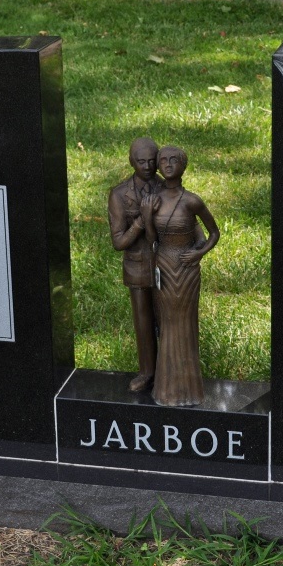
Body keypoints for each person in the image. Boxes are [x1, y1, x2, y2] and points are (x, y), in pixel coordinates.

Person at [141, 146, 219, 406]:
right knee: (167, 324)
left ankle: (189, 391)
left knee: (184, 325)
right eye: (163, 160)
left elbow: (214, 233)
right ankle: (166, 390)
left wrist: (199, 254)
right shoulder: (154, 199)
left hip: (186, 270)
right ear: (158, 166)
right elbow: (152, 239)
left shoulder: (192, 200)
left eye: (174, 160)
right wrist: (147, 217)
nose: (168, 164)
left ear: (184, 165)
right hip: (163, 265)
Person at [108, 137, 162, 392]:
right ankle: (147, 371)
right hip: (138, 266)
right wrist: (142, 220)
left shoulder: (166, 188)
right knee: (143, 322)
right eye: (141, 161)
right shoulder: (119, 194)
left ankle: (168, 370)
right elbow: (119, 242)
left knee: (166, 319)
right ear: (131, 162)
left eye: (152, 161)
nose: (148, 166)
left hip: (166, 264)